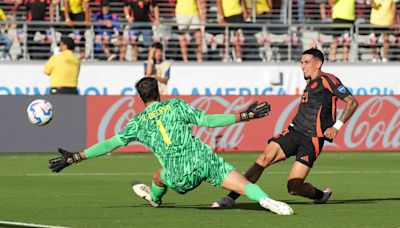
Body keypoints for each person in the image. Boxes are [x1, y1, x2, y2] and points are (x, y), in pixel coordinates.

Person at [48, 77, 293, 216]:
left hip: (178, 174)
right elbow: (208, 121)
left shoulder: (137, 123)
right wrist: (244, 116)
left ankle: (155, 199)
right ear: (159, 92)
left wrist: (77, 156)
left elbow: (110, 143)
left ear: (141, 98)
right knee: (244, 184)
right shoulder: (176, 105)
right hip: (203, 160)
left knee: (159, 175)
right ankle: (268, 202)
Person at [212, 48, 359, 208]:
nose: (302, 66)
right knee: (263, 159)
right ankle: (231, 198)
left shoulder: (328, 79)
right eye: (301, 62)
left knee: (293, 188)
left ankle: (321, 195)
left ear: (318, 64)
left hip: (312, 139)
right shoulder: (310, 81)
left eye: (307, 62)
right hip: (294, 132)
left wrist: (336, 127)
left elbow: (352, 102)